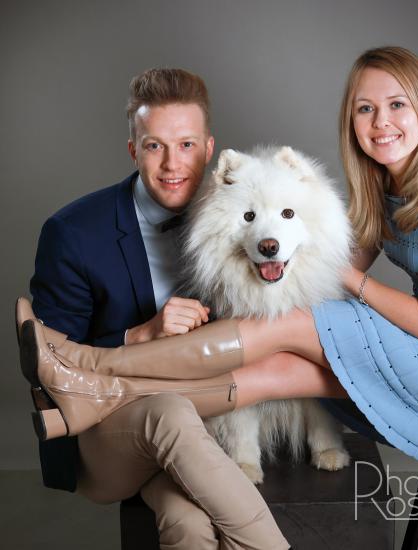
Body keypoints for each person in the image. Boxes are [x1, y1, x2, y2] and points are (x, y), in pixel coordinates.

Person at [19, 45, 418, 477]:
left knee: (285, 325)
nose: (381, 123)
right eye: (365, 108)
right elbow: (329, 260)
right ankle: (94, 396)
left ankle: (92, 371)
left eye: (397, 105)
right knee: (272, 368)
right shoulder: (388, 181)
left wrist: (347, 278)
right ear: (351, 118)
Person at [18, 68, 291, 550]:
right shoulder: (73, 233)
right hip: (109, 432)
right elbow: (51, 365)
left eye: (186, 145)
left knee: (189, 525)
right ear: (133, 150)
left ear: (209, 150)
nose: (172, 164)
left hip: (207, 419)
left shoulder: (243, 220)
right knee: (167, 413)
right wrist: (140, 334)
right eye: (154, 146)